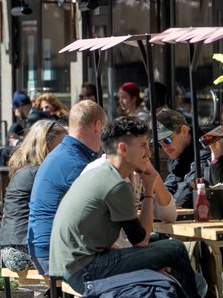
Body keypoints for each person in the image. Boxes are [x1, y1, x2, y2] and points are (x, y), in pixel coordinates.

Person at [48, 116, 199, 298]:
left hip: (76, 267)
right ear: (123, 149)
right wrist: (149, 190)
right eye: (143, 146)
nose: (149, 153)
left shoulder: (101, 172)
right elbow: (141, 240)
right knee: (175, 249)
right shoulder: (116, 184)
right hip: (87, 271)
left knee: (169, 259)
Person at [27, 100, 106, 273]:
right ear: (98, 126)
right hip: (56, 255)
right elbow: (99, 216)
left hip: (43, 251)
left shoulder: (63, 153)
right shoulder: (77, 163)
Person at [0, 120, 67, 272]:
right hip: (24, 250)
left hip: (9, 249)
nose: (65, 149)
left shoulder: (25, 169)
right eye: (62, 144)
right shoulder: (40, 173)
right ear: (47, 144)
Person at [157, 108, 223, 209]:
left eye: (167, 140)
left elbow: (187, 188)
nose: (164, 147)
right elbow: (172, 181)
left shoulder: (206, 149)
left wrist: (165, 205)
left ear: (184, 131)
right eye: (160, 142)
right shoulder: (179, 153)